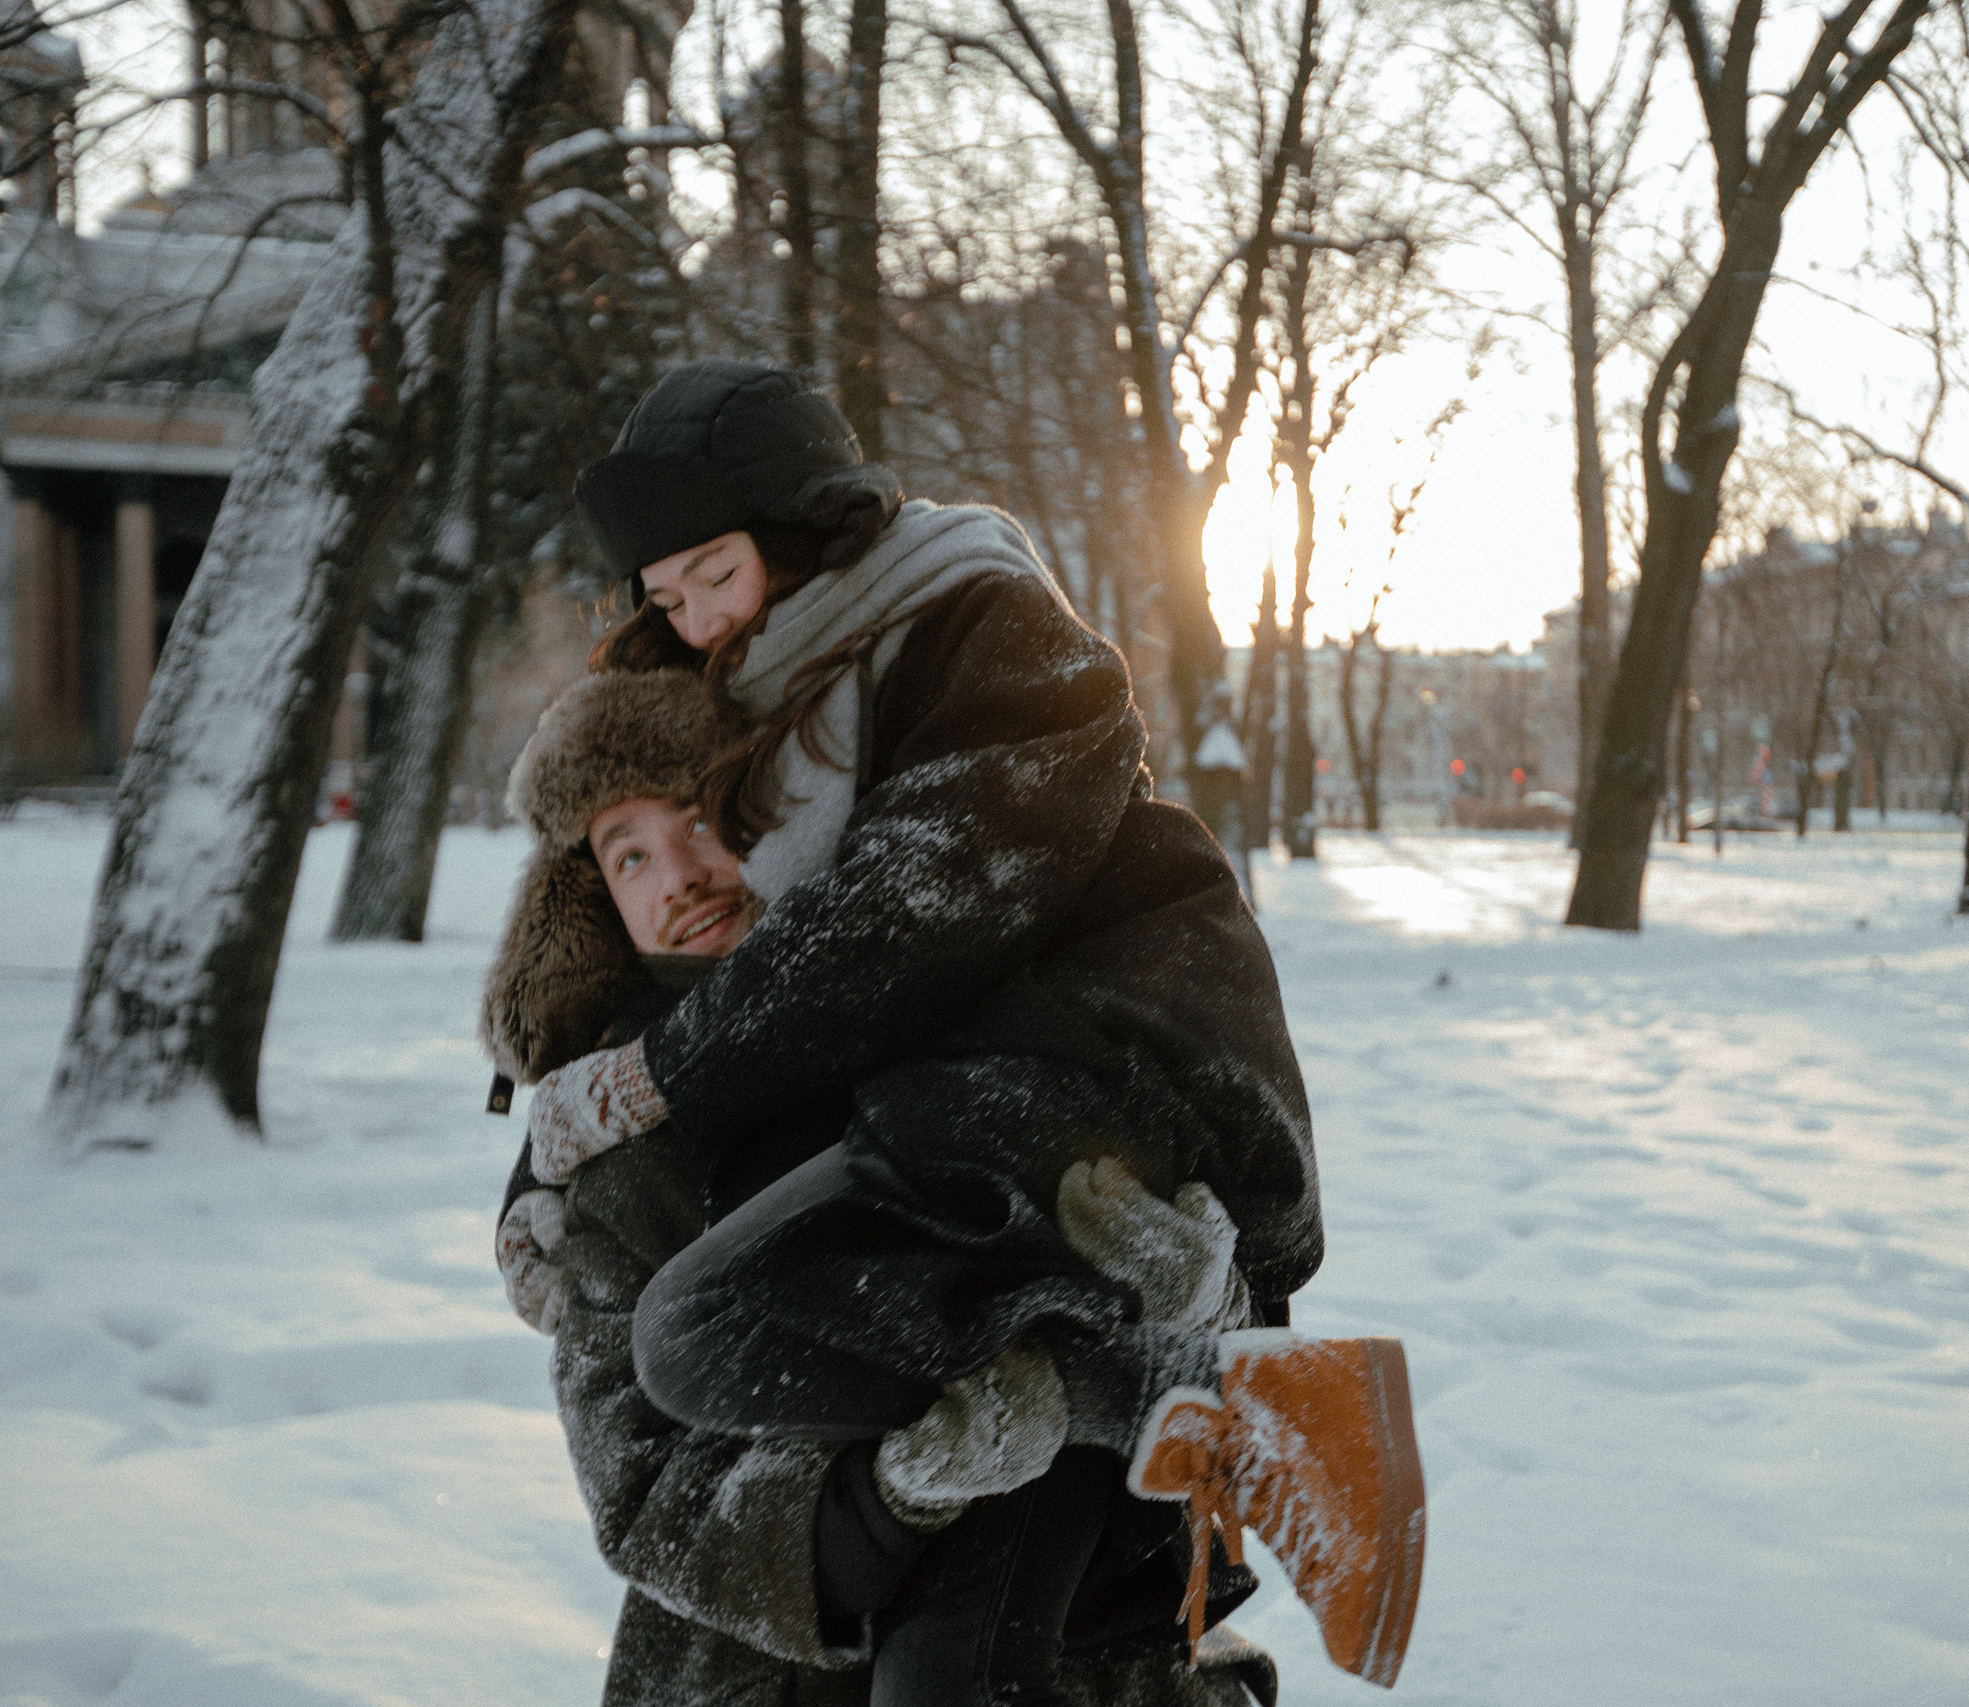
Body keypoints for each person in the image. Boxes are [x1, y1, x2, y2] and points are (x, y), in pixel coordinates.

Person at [489, 359, 1423, 1704]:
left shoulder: (969, 673)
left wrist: (1194, 1281)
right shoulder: (634, 1138)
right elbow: (647, 1495)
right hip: (776, 1639)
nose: (686, 871)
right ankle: (1182, 1393)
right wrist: (894, 1490)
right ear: (581, 894)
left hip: (1073, 1125)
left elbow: (908, 919)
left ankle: (1195, 1386)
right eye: (626, 854)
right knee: (689, 1339)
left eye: (711, 819)